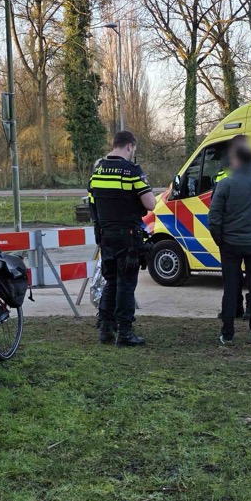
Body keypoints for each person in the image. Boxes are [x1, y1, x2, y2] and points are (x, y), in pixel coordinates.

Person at [89, 130, 157, 346]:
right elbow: (151, 204)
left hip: (105, 235)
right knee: (126, 284)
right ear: (129, 146)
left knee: (111, 281)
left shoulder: (97, 171)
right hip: (127, 236)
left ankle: (106, 329)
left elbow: (92, 204)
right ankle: (125, 333)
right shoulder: (131, 171)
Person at [207, 142, 251, 346]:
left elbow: (214, 217)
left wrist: (220, 240)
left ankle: (227, 333)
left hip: (230, 244)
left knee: (230, 288)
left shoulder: (225, 184)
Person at [211, 134, 251, 322]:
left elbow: (215, 208)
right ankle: (241, 308)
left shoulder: (225, 173)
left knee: (239, 276)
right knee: (244, 276)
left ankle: (241, 309)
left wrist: (218, 235)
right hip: (249, 233)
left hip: (234, 233)